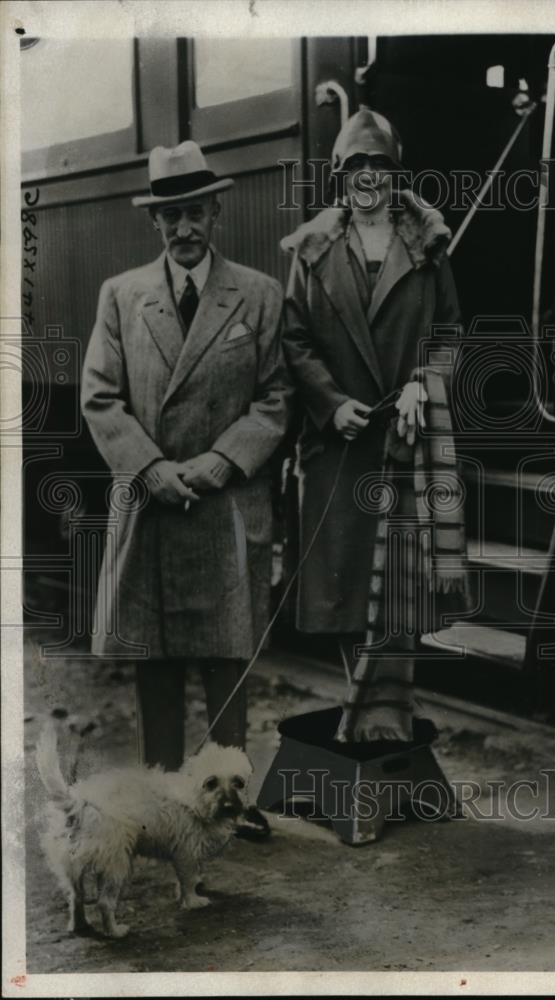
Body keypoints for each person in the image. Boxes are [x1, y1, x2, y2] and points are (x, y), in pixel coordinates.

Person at [81, 140, 290, 835]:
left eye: (195, 212)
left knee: (230, 655)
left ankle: (234, 802)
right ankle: (164, 804)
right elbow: (101, 398)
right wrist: (151, 468)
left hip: (225, 499)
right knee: (156, 659)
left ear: (216, 211)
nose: (184, 228)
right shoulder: (121, 296)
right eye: (171, 216)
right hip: (150, 503)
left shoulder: (259, 294)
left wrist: (220, 463)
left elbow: (274, 400)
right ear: (156, 224)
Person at [281, 109, 468, 743]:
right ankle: (360, 712)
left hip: (405, 439)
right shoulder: (312, 250)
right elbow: (294, 339)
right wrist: (330, 402)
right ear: (340, 176)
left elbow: (447, 333)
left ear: (395, 173)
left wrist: (424, 383)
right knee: (344, 581)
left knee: (403, 580)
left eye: (379, 165)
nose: (368, 177)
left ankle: (389, 717)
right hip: (339, 443)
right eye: (356, 165)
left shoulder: (429, 243)